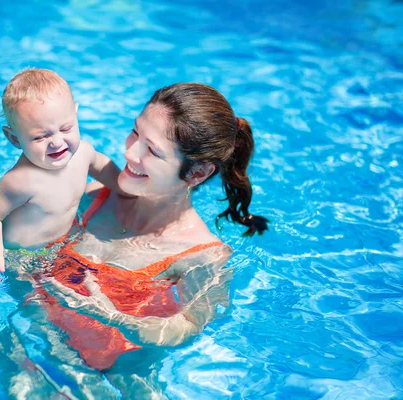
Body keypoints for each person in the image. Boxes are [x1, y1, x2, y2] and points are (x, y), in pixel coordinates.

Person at [32, 82, 269, 376]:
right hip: (31, 344)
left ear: (197, 172)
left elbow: (188, 328)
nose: (130, 153)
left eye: (153, 152)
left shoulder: (201, 256)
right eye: (135, 132)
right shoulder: (91, 198)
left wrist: (112, 316)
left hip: (104, 375)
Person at [0, 69, 124, 281]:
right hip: (22, 259)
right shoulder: (21, 181)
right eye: (40, 137)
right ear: (15, 139)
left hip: (63, 244)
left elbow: (101, 166)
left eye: (65, 129)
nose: (56, 142)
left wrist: (128, 188)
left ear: (76, 115)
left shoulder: (83, 153)